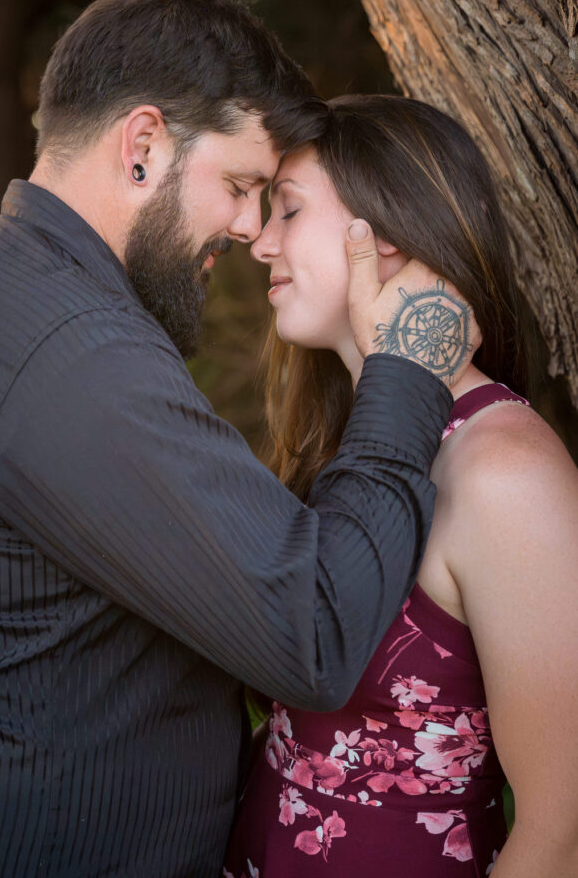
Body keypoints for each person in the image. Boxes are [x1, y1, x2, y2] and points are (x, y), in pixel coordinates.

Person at [0, 0, 476, 878]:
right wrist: (404, 372)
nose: (249, 230)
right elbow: (311, 633)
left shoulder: (14, 287)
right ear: (142, 146)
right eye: (242, 186)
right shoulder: (67, 348)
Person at [223, 95, 578, 878]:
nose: (258, 240)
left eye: (286, 210)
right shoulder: (342, 443)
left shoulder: (503, 475)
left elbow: (563, 832)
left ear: (383, 231)